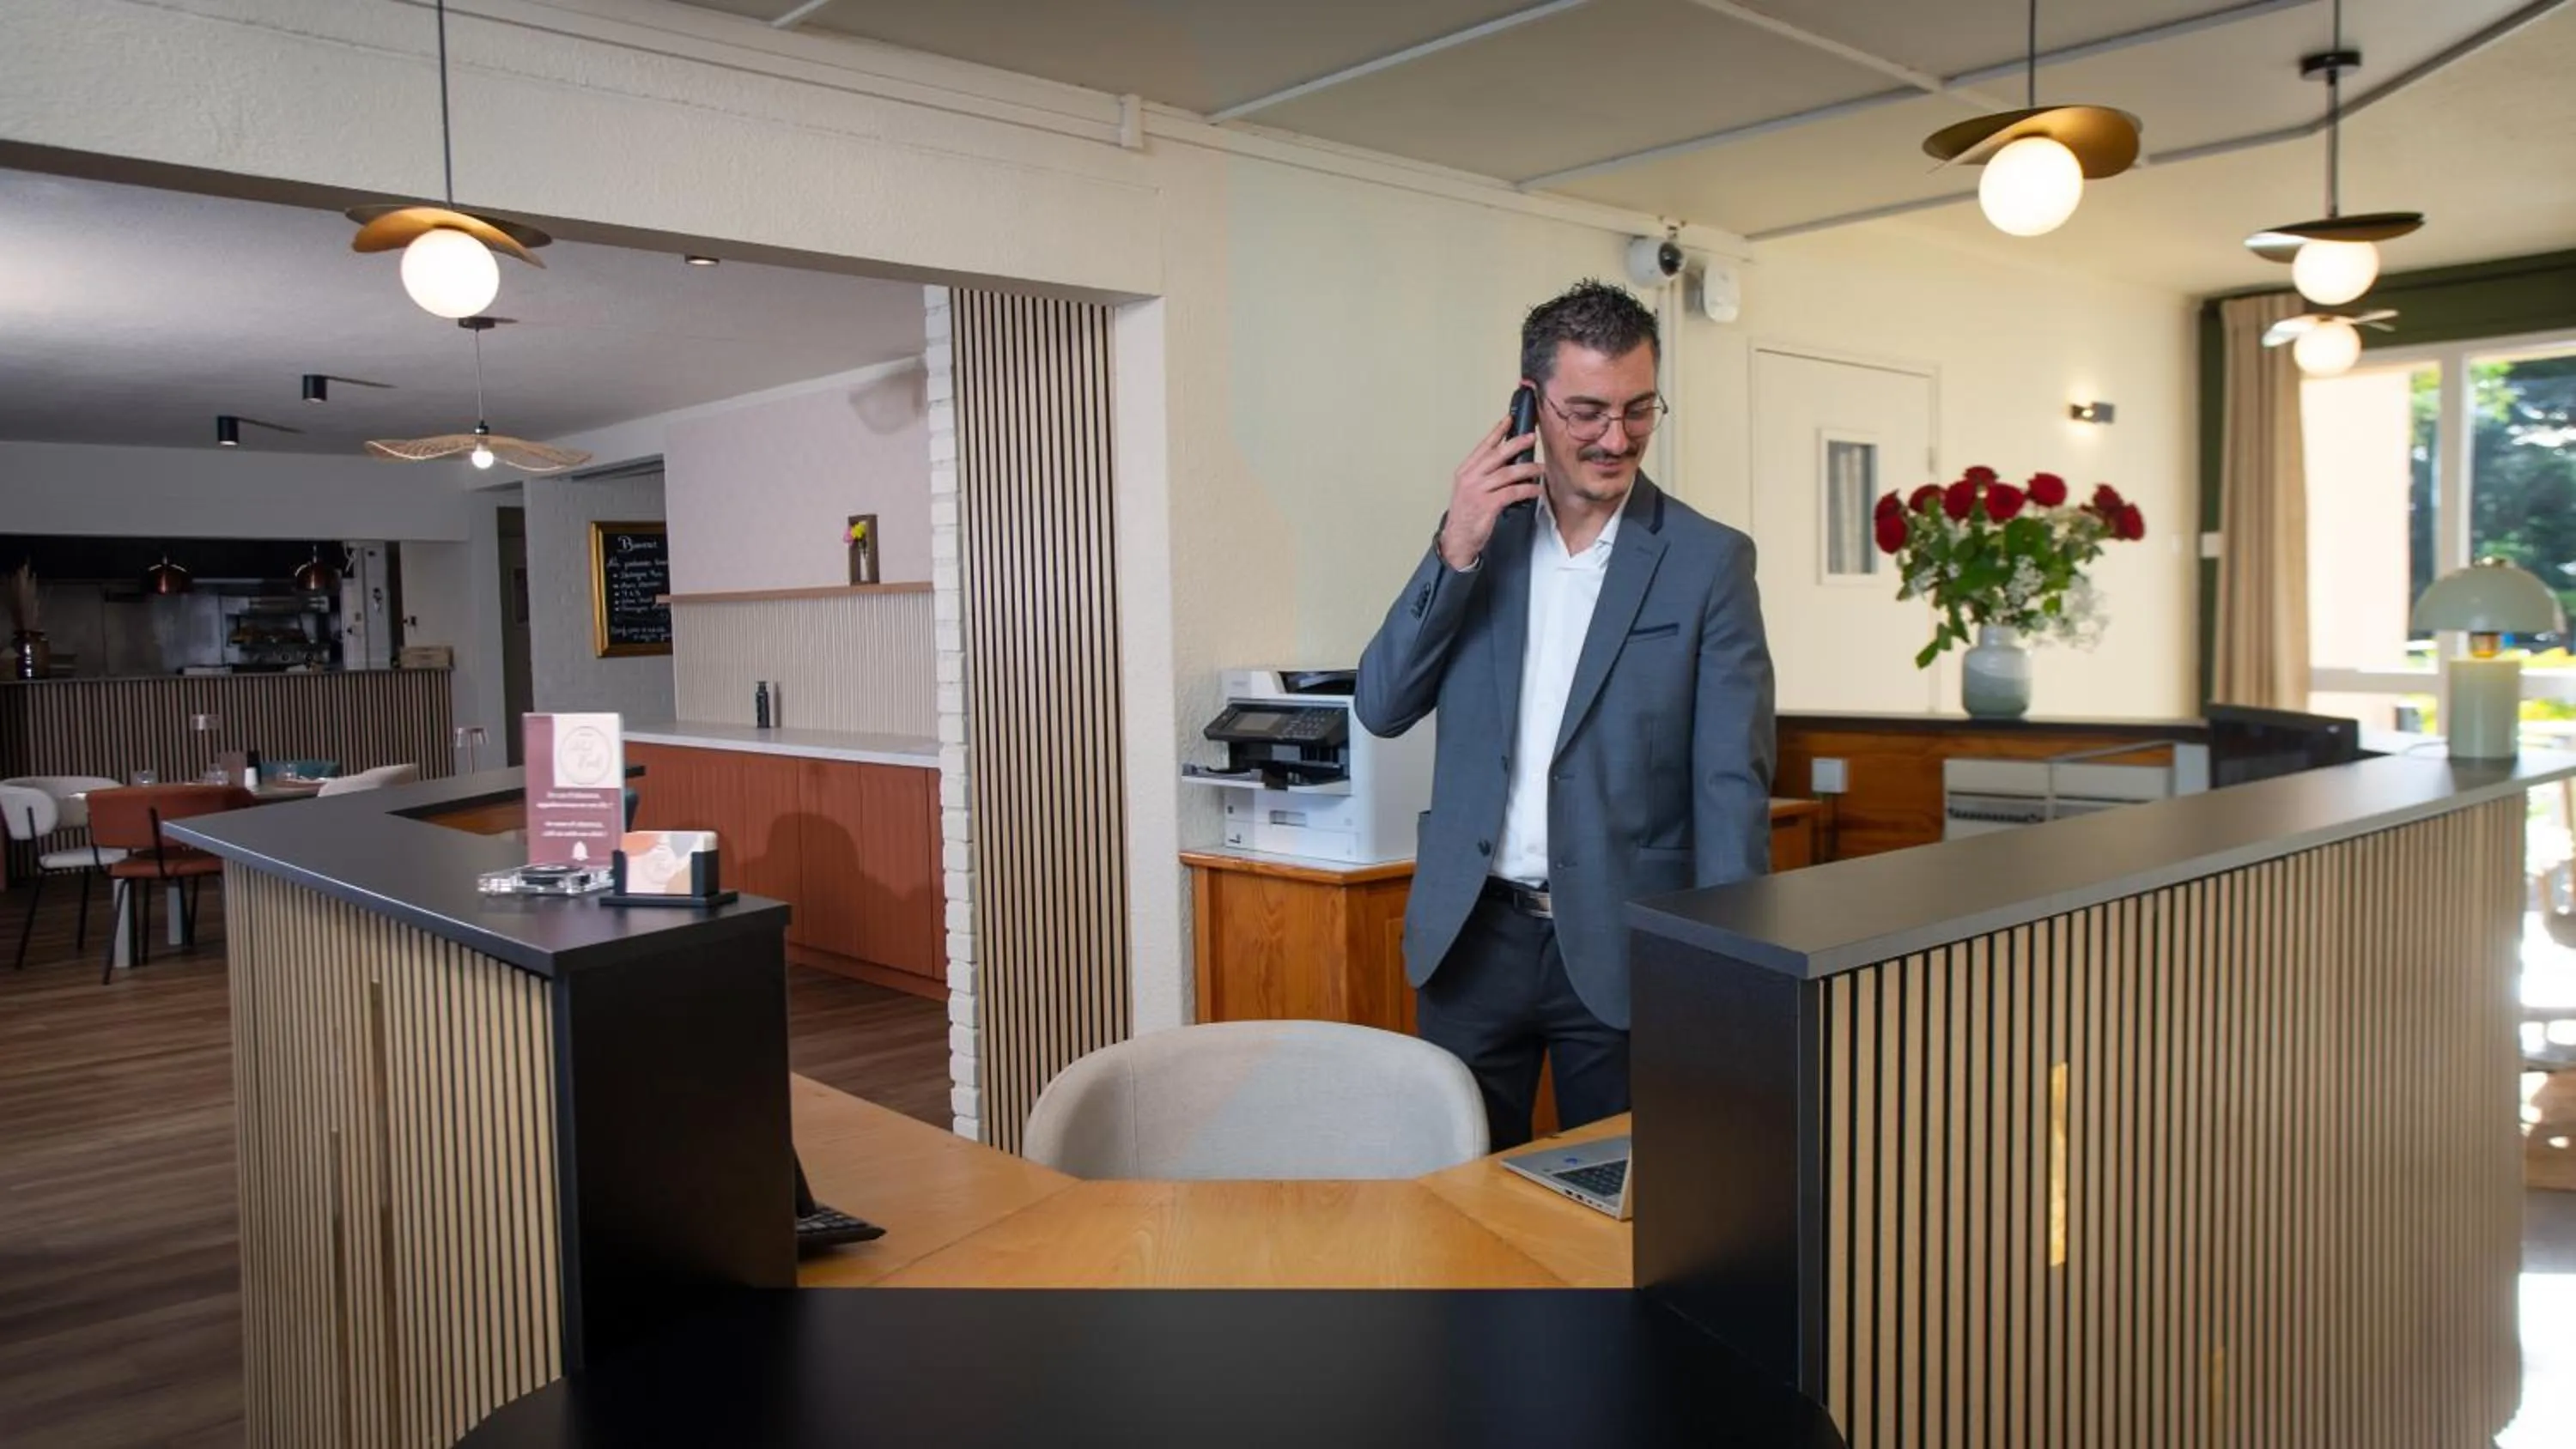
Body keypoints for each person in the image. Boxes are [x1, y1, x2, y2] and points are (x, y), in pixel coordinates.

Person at [1354, 280, 1775, 1149]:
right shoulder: (1476, 538)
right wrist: (1456, 544)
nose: (1615, 438)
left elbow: (1731, 785)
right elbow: (1383, 702)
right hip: (1470, 943)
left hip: (1626, 951)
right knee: (1460, 1205)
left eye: (1637, 409)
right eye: (1586, 410)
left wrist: (1727, 976)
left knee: (1622, 1213)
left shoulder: (1709, 561)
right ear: (1529, 400)